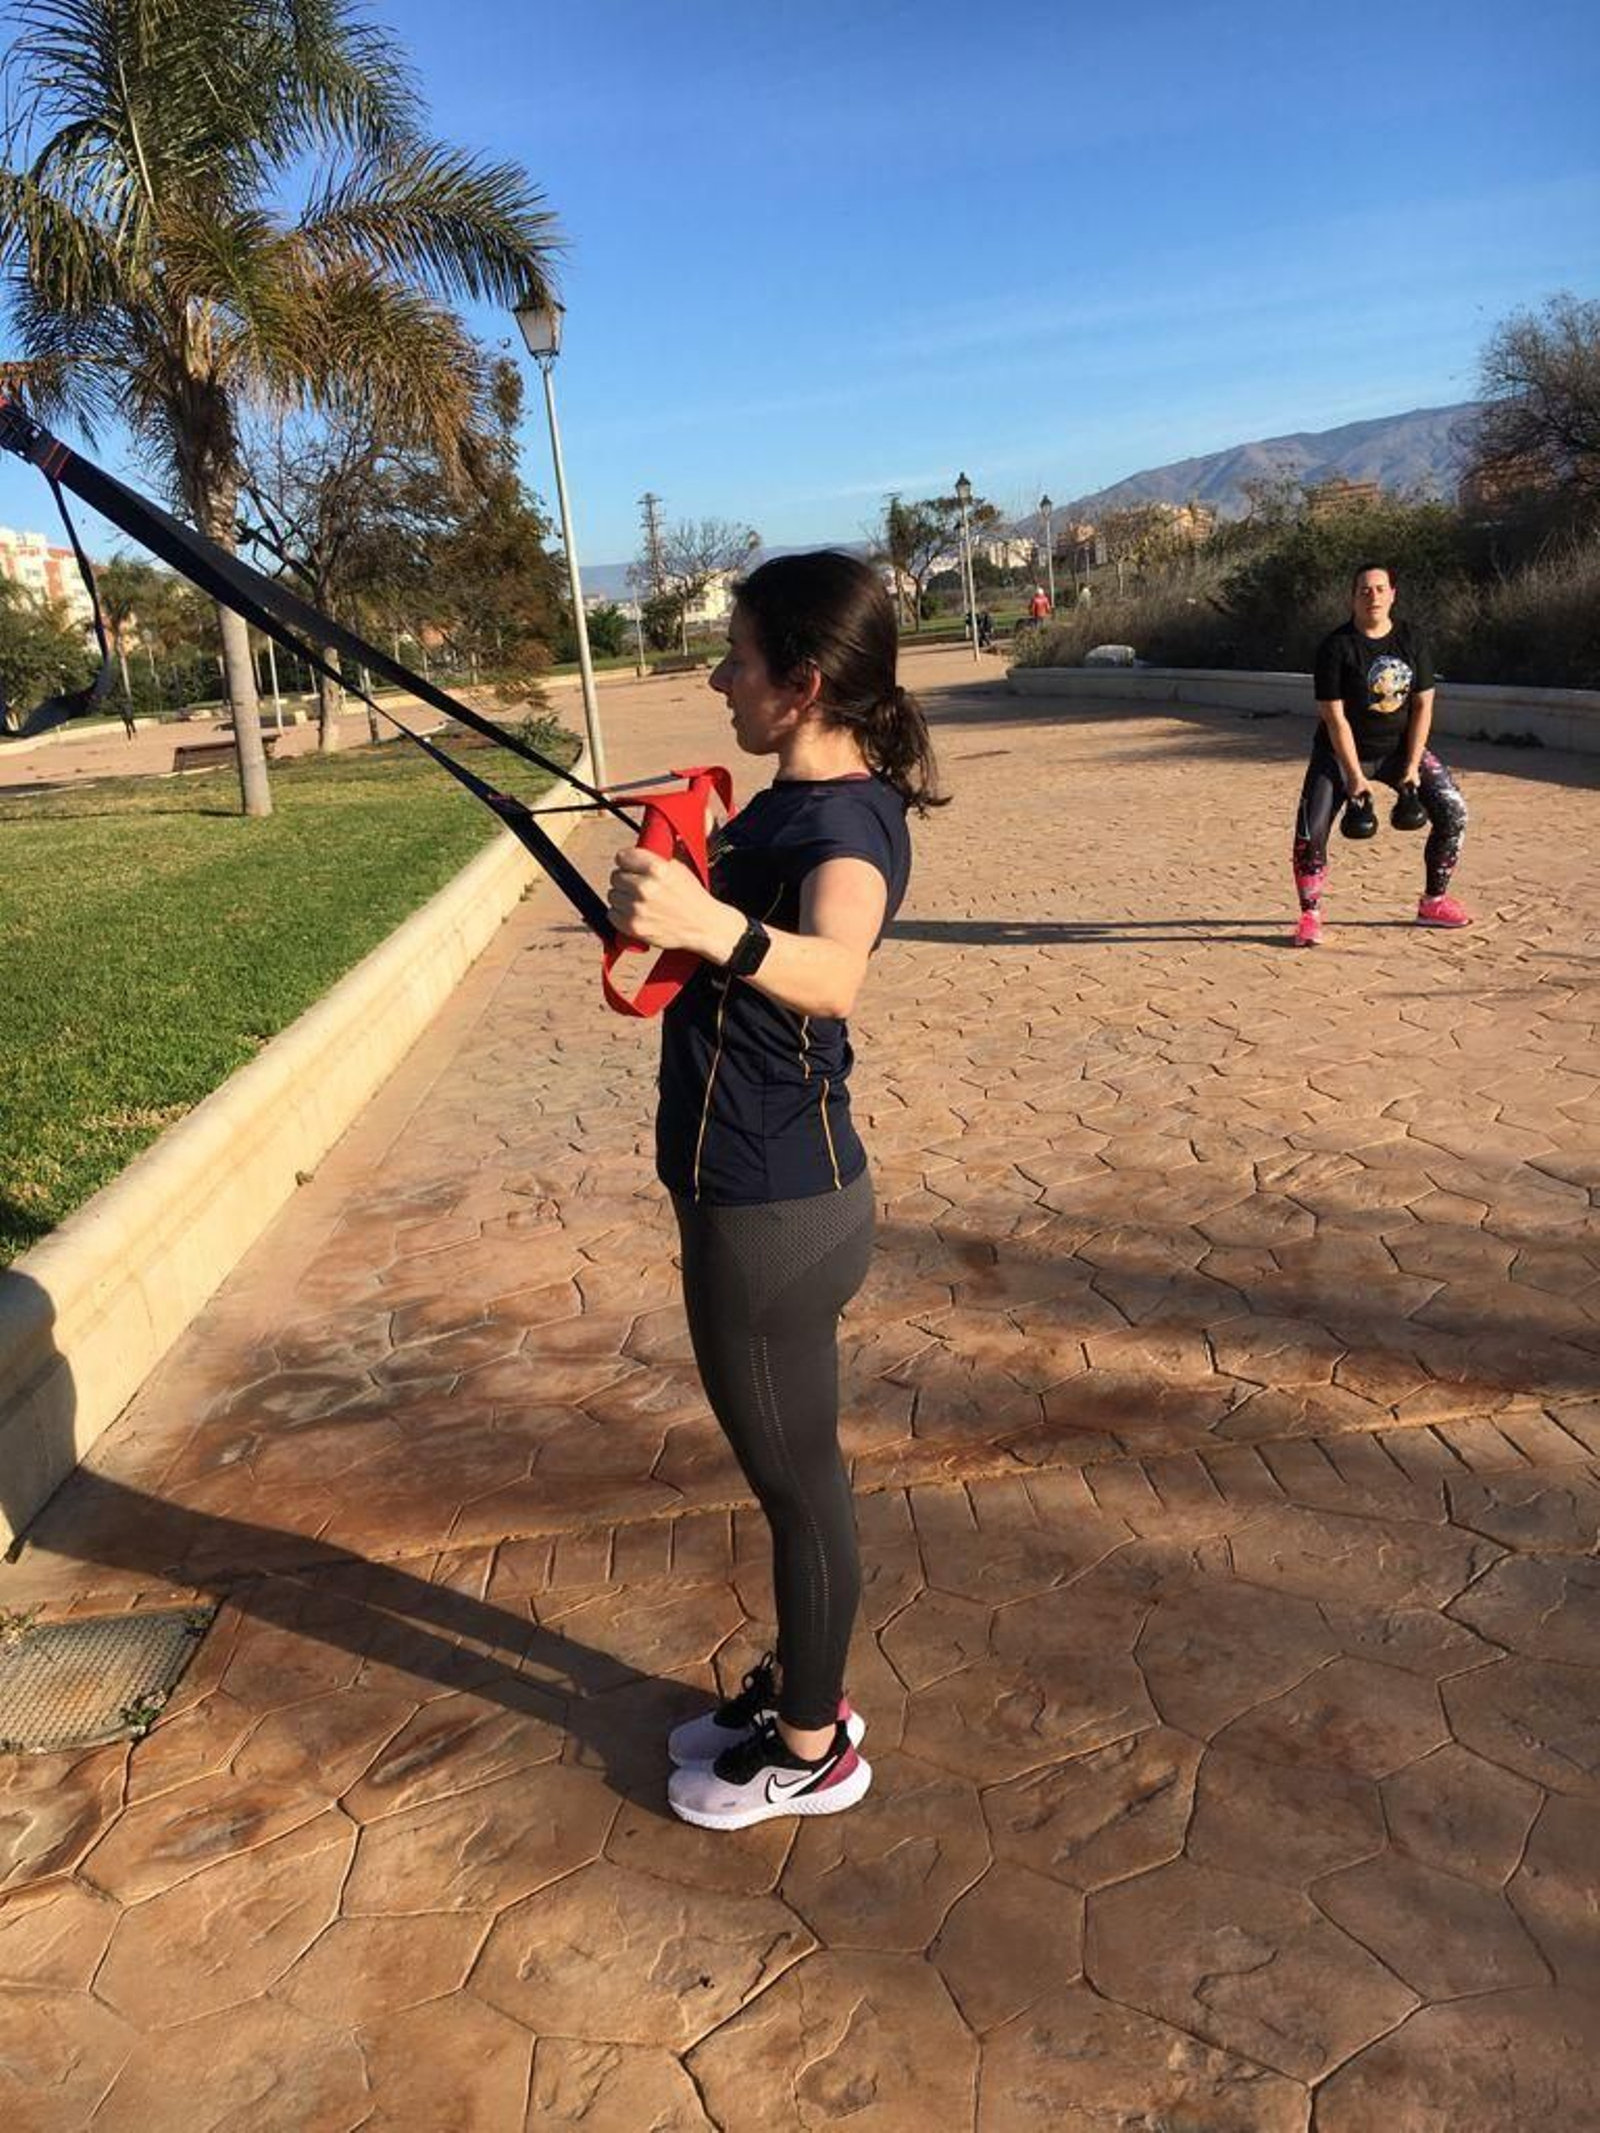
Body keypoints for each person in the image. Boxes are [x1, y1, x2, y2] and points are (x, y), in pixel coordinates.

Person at [606, 551, 942, 1831]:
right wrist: (671, 900)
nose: (717, 676)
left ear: (801, 684)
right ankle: (801, 1692)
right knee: (790, 1475)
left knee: (800, 1486)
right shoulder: (775, 808)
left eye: (736, 658)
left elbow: (833, 969)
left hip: (775, 1213)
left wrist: (709, 925)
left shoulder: (845, 823)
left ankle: (814, 1745)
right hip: (752, 1193)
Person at [1292, 563, 1471, 946]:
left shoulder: (1412, 640)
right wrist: (1354, 776)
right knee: (1310, 831)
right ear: (1352, 597)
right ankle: (1310, 916)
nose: (1372, 596)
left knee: (1453, 811)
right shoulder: (1335, 647)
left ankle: (1433, 903)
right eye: (1364, 590)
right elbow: (1333, 716)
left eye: (1379, 588)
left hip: (1398, 750)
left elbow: (1423, 706)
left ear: (1392, 594)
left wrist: (1411, 763)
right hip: (1339, 754)